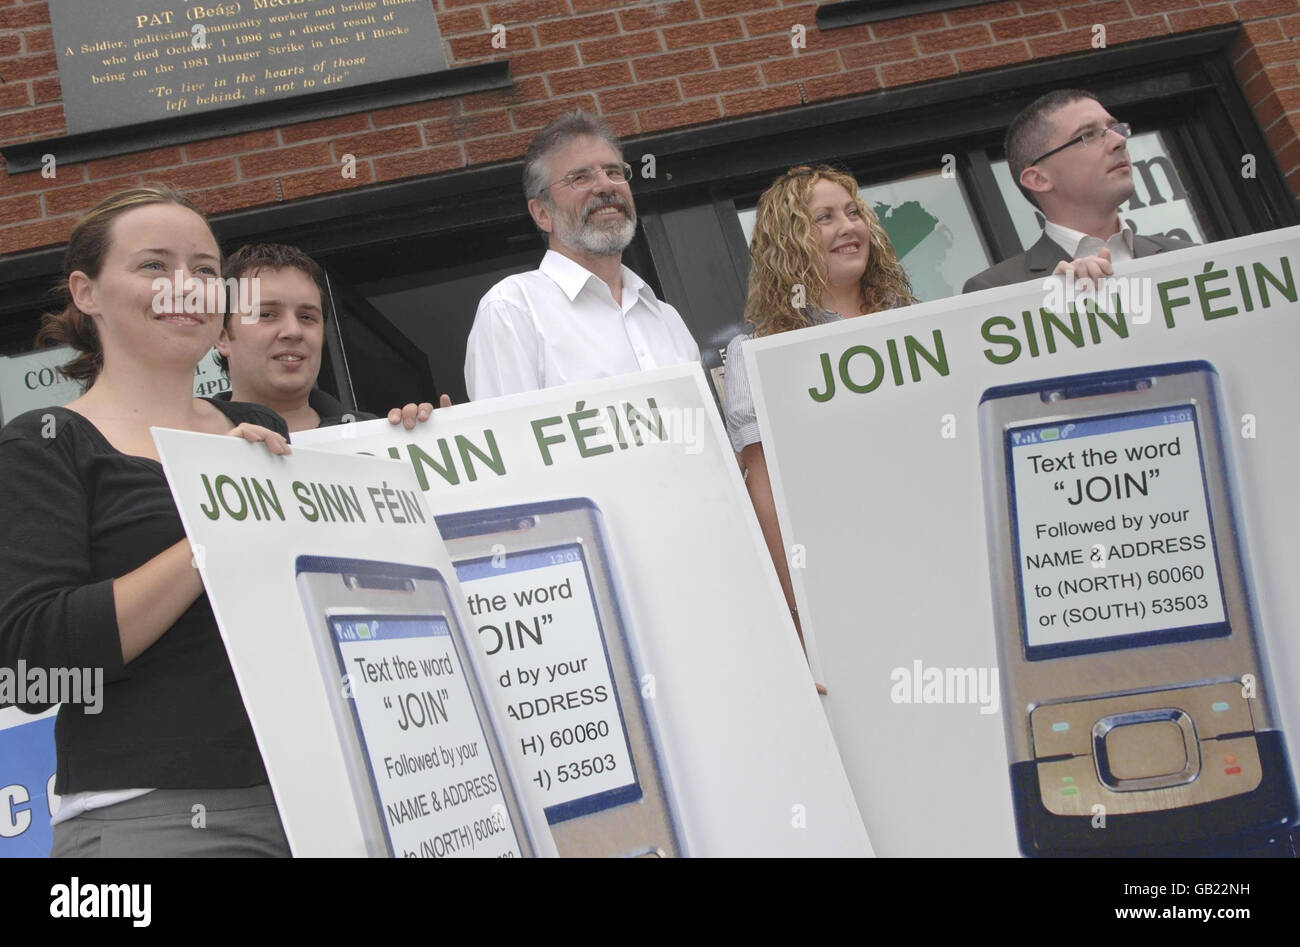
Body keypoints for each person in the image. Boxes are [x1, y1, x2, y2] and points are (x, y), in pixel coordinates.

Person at [0, 186, 294, 856]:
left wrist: (419, 446)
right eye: (154, 266)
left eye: (205, 270)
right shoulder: (46, 443)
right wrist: (213, 528)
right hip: (149, 816)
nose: (185, 286)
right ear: (87, 292)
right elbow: (32, 653)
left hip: (311, 794)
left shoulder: (259, 431)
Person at [725, 166, 916, 654]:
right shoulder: (759, 353)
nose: (848, 227)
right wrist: (797, 615)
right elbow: (764, 491)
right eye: (824, 218)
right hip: (844, 577)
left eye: (853, 213)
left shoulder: (915, 322)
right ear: (789, 242)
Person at [464, 111, 700, 400]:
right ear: (542, 213)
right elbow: (509, 440)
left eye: (614, 172)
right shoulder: (512, 309)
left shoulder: (666, 319)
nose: (605, 186)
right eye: (580, 178)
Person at [963, 89, 1192, 293]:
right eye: (1087, 136)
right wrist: (1051, 301)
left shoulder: (1193, 258)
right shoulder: (997, 289)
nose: (1119, 141)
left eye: (1114, 128)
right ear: (1039, 178)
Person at [215, 242, 446, 432]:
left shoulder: (376, 434)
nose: (293, 331)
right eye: (266, 314)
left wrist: (439, 434)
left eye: (307, 317)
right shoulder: (189, 445)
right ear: (222, 337)